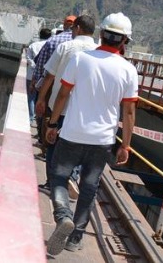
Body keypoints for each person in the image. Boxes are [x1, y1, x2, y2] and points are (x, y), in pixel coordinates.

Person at [45, 12, 138, 255]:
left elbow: (63, 94)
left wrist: (53, 124)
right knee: (88, 188)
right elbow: (128, 112)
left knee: (58, 178)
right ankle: (75, 239)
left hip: (73, 133)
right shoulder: (128, 70)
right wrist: (125, 145)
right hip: (103, 140)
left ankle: (63, 215)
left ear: (101, 34)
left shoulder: (80, 59)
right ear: (124, 41)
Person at [35, 15, 97, 194]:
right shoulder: (97, 50)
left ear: (77, 28)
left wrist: (41, 98)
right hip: (82, 110)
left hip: (59, 106)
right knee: (76, 145)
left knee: (52, 142)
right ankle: (70, 177)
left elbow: (49, 76)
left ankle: (51, 183)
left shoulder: (65, 47)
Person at [31, 15, 76, 137]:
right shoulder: (90, 47)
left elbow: (41, 65)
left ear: (65, 24)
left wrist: (38, 88)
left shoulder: (53, 40)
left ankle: (44, 139)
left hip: (51, 86)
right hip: (74, 90)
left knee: (48, 116)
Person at [25, 28, 52, 123]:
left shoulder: (33, 45)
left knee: (31, 97)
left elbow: (28, 57)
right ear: (50, 36)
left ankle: (31, 117)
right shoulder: (50, 46)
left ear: (40, 35)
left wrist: (34, 66)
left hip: (31, 75)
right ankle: (39, 117)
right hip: (45, 76)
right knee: (42, 96)